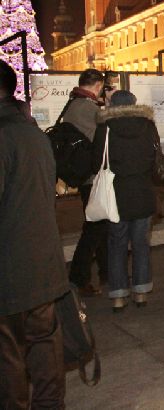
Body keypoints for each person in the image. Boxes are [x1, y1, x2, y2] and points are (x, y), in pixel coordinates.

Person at [0, 60, 69, 408]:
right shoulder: (33, 134)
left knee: (8, 358)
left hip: (8, 270)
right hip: (43, 262)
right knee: (44, 347)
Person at [92, 90, 159, 311]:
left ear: (112, 105)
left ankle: (119, 296)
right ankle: (141, 293)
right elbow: (154, 157)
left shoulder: (105, 127)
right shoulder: (147, 125)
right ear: (134, 103)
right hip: (142, 192)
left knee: (116, 244)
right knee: (141, 243)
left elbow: (96, 161)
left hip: (116, 195)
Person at [64, 68, 107, 296]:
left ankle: (106, 272)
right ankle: (78, 277)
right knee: (94, 228)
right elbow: (101, 142)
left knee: (99, 226)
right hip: (94, 178)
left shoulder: (72, 105)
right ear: (98, 85)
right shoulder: (88, 109)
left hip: (83, 176)